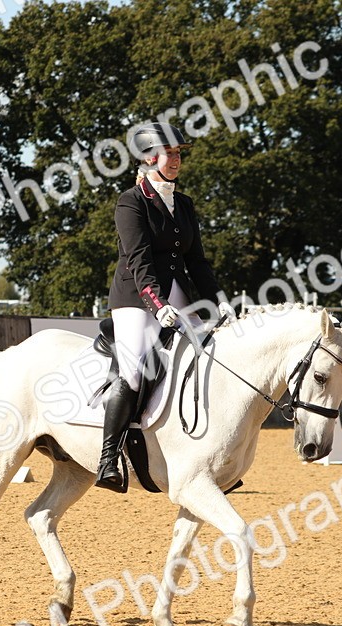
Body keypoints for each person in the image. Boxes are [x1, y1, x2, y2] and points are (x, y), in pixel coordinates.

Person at [95, 121, 236, 492]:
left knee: (211, 355)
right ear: (148, 156)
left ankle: (210, 455)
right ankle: (109, 458)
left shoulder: (184, 204)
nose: (175, 160)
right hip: (135, 298)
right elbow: (139, 260)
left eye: (177, 153)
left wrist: (220, 302)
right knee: (135, 369)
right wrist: (157, 306)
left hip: (178, 294)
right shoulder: (131, 201)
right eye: (168, 153)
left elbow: (198, 263)